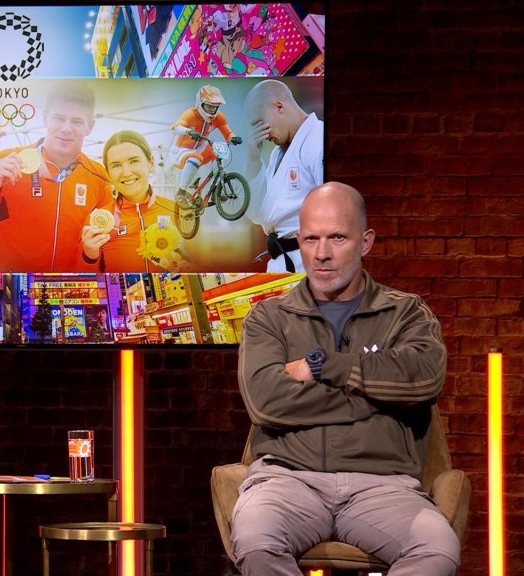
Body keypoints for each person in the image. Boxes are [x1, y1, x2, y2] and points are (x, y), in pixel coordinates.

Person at [232, 182, 460, 575]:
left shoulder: (404, 313)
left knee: (436, 550)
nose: (321, 253)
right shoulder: (269, 317)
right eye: (310, 239)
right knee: (256, 541)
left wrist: (326, 366)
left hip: (383, 484)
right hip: (288, 479)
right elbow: (266, 402)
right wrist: (374, 399)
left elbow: (423, 378)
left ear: (365, 241)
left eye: (337, 237)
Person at [0, 82, 114, 272]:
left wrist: (89, 258)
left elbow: (103, 250)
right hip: (16, 285)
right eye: (59, 118)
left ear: (90, 127)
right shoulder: (6, 163)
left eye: (77, 121)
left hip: (66, 287)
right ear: (45, 118)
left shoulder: (99, 178)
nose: (66, 128)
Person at [242, 79, 324, 273]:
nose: (260, 133)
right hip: (283, 261)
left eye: (259, 123)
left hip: (309, 261)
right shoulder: (277, 153)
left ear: (278, 107)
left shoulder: (317, 139)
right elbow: (257, 213)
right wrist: (253, 159)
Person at [83, 130, 188, 272]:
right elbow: (89, 277)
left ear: (150, 162)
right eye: (116, 165)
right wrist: (89, 256)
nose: (126, 172)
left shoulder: (177, 211)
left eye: (134, 161)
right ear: (108, 173)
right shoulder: (98, 221)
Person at [169, 84, 242, 194]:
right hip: (180, 150)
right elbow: (174, 128)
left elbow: (228, 133)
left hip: (199, 148)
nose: (212, 110)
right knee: (195, 158)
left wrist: (233, 138)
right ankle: (181, 192)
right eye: (209, 106)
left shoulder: (219, 117)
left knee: (221, 152)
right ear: (200, 103)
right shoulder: (190, 114)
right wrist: (188, 131)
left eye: (215, 107)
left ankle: (216, 188)